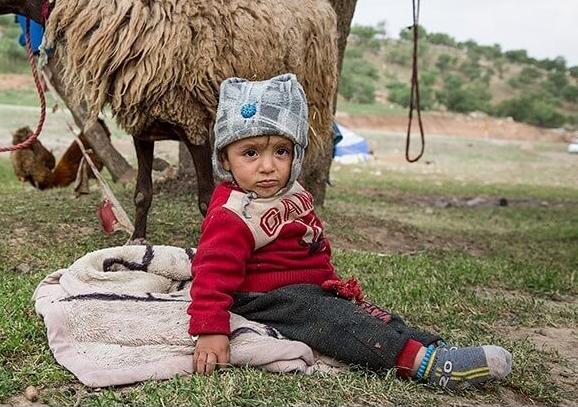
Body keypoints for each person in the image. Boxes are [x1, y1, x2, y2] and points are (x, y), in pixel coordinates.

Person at [187, 73, 512, 390]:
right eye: (250, 153)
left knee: (368, 315)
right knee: (340, 324)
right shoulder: (232, 213)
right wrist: (210, 328)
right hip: (264, 297)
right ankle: (426, 366)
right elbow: (211, 271)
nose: (268, 166)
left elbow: (314, 242)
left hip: (309, 289)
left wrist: (330, 283)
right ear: (225, 160)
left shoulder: (293, 192)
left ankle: (435, 348)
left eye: (281, 151)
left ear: (295, 153)